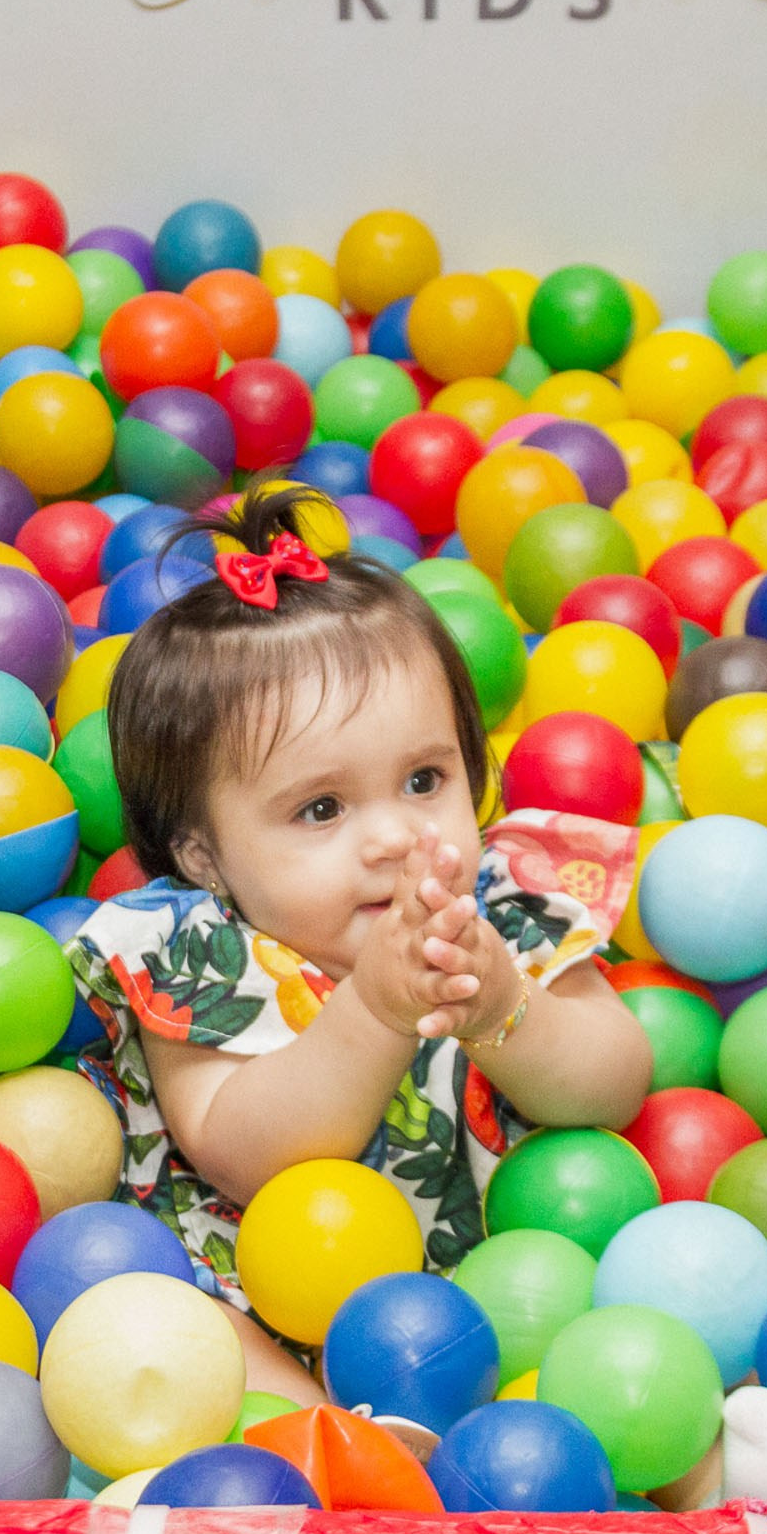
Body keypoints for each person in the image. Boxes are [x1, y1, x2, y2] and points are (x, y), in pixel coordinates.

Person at [67, 483, 654, 1401]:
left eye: (425, 779)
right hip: (275, 1302)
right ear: (205, 855)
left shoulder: (500, 904)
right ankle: (341, 1451)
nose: (391, 837)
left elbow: (616, 1081)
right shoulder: (198, 954)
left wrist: (504, 1007)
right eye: (323, 808)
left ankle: (718, 1471)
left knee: (633, 1294)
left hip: (512, 1285)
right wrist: (375, 1013)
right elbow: (241, 1148)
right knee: (162, 1314)